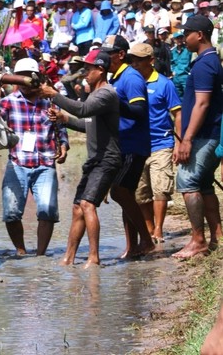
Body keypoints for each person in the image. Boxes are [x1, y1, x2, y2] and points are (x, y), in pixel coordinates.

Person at [38, 49, 122, 268]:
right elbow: (88, 124)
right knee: (77, 207)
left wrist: (53, 95)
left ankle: (94, 257)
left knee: (87, 204)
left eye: (89, 69)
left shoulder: (106, 94)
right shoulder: (95, 94)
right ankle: (69, 257)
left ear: (100, 70)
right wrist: (65, 119)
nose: (85, 73)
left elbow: (83, 110)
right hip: (95, 159)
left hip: (107, 159)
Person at [0, 58, 69, 256]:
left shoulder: (49, 101)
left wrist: (63, 144)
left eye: (30, 77)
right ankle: (21, 251)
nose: (26, 81)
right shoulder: (7, 103)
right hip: (17, 162)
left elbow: (60, 125)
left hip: (45, 163)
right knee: (11, 213)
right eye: (22, 77)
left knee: (47, 210)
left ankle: (40, 254)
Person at [174, 15, 223, 259]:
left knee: (187, 181)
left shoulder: (204, 64)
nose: (184, 38)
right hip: (209, 134)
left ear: (199, 35)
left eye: (187, 34)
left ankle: (198, 240)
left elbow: (201, 104)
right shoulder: (209, 61)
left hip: (204, 135)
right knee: (204, 185)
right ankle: (217, 237)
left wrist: (187, 139)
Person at [102, 34, 155, 259]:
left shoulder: (131, 78)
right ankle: (131, 246)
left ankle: (147, 239)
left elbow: (140, 111)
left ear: (121, 55)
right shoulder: (115, 78)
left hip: (134, 144)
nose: (104, 57)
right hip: (121, 145)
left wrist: (115, 103)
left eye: (109, 53)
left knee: (119, 192)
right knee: (126, 196)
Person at [128, 43, 182, 244]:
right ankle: (149, 229)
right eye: (132, 60)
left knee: (160, 188)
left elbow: (177, 113)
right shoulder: (130, 83)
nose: (135, 64)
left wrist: (179, 143)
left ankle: (158, 229)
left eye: (139, 60)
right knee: (140, 193)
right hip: (137, 146)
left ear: (151, 61)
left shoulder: (164, 84)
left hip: (161, 142)